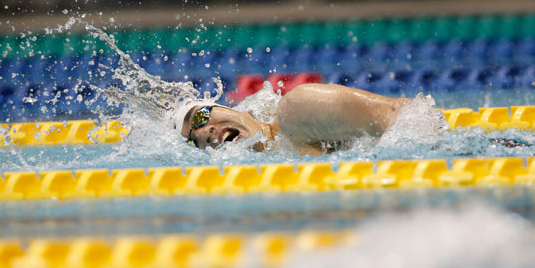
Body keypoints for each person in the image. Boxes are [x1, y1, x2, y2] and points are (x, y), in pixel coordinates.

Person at [172, 83, 416, 156]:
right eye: (195, 140)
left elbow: (404, 118)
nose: (205, 132)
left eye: (202, 117)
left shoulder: (296, 111)